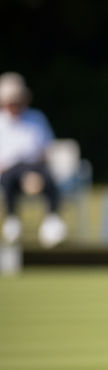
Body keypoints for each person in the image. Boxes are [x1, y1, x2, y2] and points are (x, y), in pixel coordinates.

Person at [0, 72, 68, 248]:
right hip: (8, 170)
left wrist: (39, 164)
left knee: (48, 176)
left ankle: (52, 220)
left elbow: (47, 147)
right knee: (8, 179)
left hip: (35, 168)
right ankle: (12, 220)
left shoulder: (37, 118)